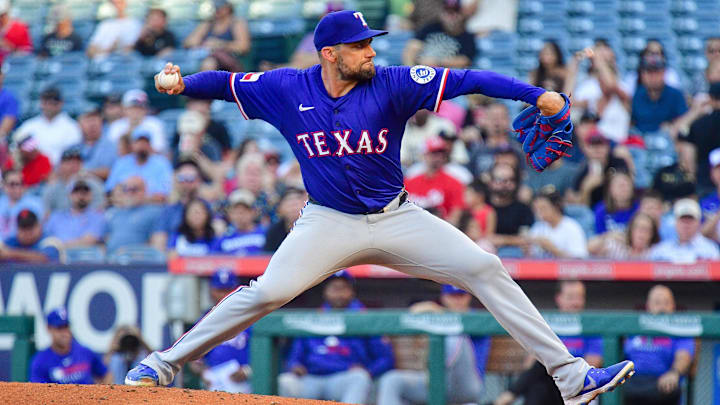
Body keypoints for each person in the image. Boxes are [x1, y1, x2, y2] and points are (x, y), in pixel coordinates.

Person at [126, 12, 635, 405]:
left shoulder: (391, 81)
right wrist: (182, 84)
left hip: (396, 217)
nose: (370, 51)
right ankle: (163, 364)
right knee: (268, 292)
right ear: (329, 54)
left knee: (484, 267)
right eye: (360, 45)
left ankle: (572, 378)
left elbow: (470, 80)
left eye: (371, 43)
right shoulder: (287, 88)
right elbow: (227, 83)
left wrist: (537, 94)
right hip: (327, 221)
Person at [278, 271, 394, 404]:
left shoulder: (364, 318)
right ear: (325, 292)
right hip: (312, 378)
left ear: (352, 292)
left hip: (343, 379)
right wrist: (295, 365)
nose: (339, 293)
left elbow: (386, 358)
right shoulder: (312, 318)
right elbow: (294, 357)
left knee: (359, 378)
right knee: (285, 381)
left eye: (343, 288)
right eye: (334, 288)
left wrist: (369, 371)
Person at [494, 281, 603, 405]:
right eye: (570, 297)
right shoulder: (547, 326)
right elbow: (530, 365)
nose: (575, 303)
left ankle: (506, 397)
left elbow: (591, 367)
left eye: (579, 297)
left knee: (547, 360)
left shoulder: (592, 325)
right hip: (550, 385)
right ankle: (508, 396)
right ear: (559, 299)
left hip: (578, 388)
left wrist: (557, 363)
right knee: (538, 384)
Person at [376, 285, 488, 405]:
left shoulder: (476, 318)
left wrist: (438, 313)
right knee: (392, 380)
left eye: (461, 296)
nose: (457, 301)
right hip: (435, 381)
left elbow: (457, 323)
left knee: (454, 334)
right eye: (452, 296)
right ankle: (435, 374)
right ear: (443, 297)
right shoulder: (440, 314)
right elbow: (415, 310)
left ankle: (436, 373)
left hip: (466, 386)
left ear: (469, 297)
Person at [623, 285, 694, 405]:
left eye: (666, 303)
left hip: (663, 383)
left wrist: (674, 373)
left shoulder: (680, 330)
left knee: (670, 388)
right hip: (633, 382)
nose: (662, 307)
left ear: (673, 306)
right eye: (657, 302)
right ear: (648, 306)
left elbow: (683, 356)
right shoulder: (634, 328)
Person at [189, 268, 252, 393]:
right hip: (214, 380)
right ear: (211, 291)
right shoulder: (204, 319)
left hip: (247, 382)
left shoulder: (250, 317)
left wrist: (248, 371)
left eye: (228, 290)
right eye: (219, 290)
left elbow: (267, 354)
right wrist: (202, 371)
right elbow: (193, 358)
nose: (223, 295)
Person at [30, 308, 110, 384]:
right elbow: (37, 392)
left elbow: (106, 375)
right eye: (59, 328)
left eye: (66, 326)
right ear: (49, 328)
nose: (64, 332)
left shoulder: (84, 352)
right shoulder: (40, 361)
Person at [12, 87, 82, 165]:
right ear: (41, 103)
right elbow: (16, 148)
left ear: (61, 103)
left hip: (61, 173)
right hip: (33, 170)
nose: (49, 106)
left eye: (53, 103)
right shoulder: (29, 126)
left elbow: (73, 156)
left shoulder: (72, 127)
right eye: (46, 102)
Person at [403, 0, 477, 69]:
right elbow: (412, 48)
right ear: (441, 13)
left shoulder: (466, 36)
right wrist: (411, 71)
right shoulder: (430, 28)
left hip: (447, 76)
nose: (451, 17)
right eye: (447, 12)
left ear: (461, 14)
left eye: (455, 12)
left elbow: (465, 61)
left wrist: (437, 62)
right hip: (421, 72)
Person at [405, 136, 466, 220]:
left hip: (440, 229)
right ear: (424, 155)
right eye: (434, 153)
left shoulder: (454, 183)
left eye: (441, 153)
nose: (438, 157)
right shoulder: (410, 182)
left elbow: (455, 216)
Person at [106, 130, 173, 203]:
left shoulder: (162, 163)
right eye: (139, 142)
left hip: (151, 207)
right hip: (122, 206)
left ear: (150, 145)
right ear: (132, 145)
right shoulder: (122, 162)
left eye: (145, 142)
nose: (142, 146)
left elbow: (164, 194)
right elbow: (110, 190)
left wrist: (138, 199)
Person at [183, 0, 250, 72]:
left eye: (220, 6)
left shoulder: (237, 23)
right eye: (215, 7)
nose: (217, 9)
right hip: (205, 57)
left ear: (228, 7)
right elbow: (188, 42)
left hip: (230, 61)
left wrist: (220, 44)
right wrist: (203, 43)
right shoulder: (208, 23)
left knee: (209, 63)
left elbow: (243, 47)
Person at [630, 55, 689, 136]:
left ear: (664, 73)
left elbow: (684, 123)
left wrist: (672, 126)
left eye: (656, 72)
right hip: (641, 140)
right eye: (649, 72)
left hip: (668, 140)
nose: (653, 76)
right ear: (642, 74)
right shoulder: (637, 94)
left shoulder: (675, 95)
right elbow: (632, 122)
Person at [104, 176, 164, 254]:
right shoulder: (114, 213)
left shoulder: (155, 212)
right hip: (111, 261)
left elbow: (158, 243)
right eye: (125, 189)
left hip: (137, 262)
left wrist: (135, 252)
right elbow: (106, 239)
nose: (129, 193)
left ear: (144, 191)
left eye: (134, 189)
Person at [649, 198, 720, 262]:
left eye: (690, 220)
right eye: (683, 220)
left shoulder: (710, 250)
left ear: (698, 223)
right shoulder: (661, 251)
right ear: (676, 223)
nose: (686, 225)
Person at [487, 163, 534, 257]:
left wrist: (502, 240)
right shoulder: (483, 204)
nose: (506, 184)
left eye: (511, 180)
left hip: (514, 253)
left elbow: (524, 239)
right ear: (491, 182)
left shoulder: (523, 209)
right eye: (501, 180)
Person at [42, 146, 104, 214]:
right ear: (60, 165)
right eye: (69, 162)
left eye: (77, 162)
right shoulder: (53, 188)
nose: (73, 166)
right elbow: (46, 215)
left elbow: (99, 211)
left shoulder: (93, 185)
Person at [527, 190, 588, 259]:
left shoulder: (571, 227)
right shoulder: (537, 227)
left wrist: (553, 249)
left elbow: (580, 259)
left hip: (564, 269)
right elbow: (531, 257)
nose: (539, 213)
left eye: (543, 208)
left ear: (556, 206)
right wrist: (527, 250)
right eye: (537, 209)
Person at [684, 81, 720, 197]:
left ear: (710, 99)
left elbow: (688, 152)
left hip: (704, 181)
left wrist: (692, 175)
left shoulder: (699, 123)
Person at [45, 179, 105, 247]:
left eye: (85, 192)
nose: (81, 196)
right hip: (55, 255)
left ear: (91, 195)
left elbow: (89, 241)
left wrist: (58, 246)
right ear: (69, 195)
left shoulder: (97, 217)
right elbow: (46, 239)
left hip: (84, 255)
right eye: (76, 192)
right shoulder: (56, 216)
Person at [106, 89, 168, 154]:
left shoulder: (156, 124)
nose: (136, 111)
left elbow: (158, 151)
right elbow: (112, 153)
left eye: (140, 107)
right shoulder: (116, 126)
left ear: (146, 109)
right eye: (133, 107)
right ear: (124, 109)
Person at [213, 189, 266, 255]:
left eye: (244, 210)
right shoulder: (224, 239)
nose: (240, 215)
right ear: (230, 214)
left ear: (253, 212)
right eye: (236, 211)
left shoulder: (264, 234)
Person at [588, 213, 660, 260]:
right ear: (631, 230)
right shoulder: (618, 247)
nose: (642, 233)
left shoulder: (654, 252)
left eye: (646, 229)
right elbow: (590, 247)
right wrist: (608, 235)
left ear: (652, 234)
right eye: (638, 228)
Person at [74, 105, 117, 180]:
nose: (92, 124)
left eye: (95, 120)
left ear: (101, 122)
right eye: (88, 120)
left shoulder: (113, 147)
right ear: (79, 124)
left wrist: (87, 173)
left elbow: (114, 171)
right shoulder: (73, 148)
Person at [0, 170, 43, 240]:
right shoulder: (1, 202)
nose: (17, 187)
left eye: (20, 183)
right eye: (12, 184)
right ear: (4, 185)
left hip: (23, 244)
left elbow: (38, 230)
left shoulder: (34, 203)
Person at [262, 187, 307, 252]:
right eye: (289, 201)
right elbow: (267, 257)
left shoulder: (313, 227)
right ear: (280, 208)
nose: (294, 206)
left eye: (298, 199)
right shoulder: (273, 232)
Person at [0, 0, 32, 65]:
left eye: (2, 16)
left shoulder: (20, 28)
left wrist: (10, 47)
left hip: (12, 64)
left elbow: (26, 50)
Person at [701, 148, 720, 243]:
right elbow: (700, 234)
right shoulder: (705, 203)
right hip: (711, 254)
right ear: (712, 172)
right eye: (718, 168)